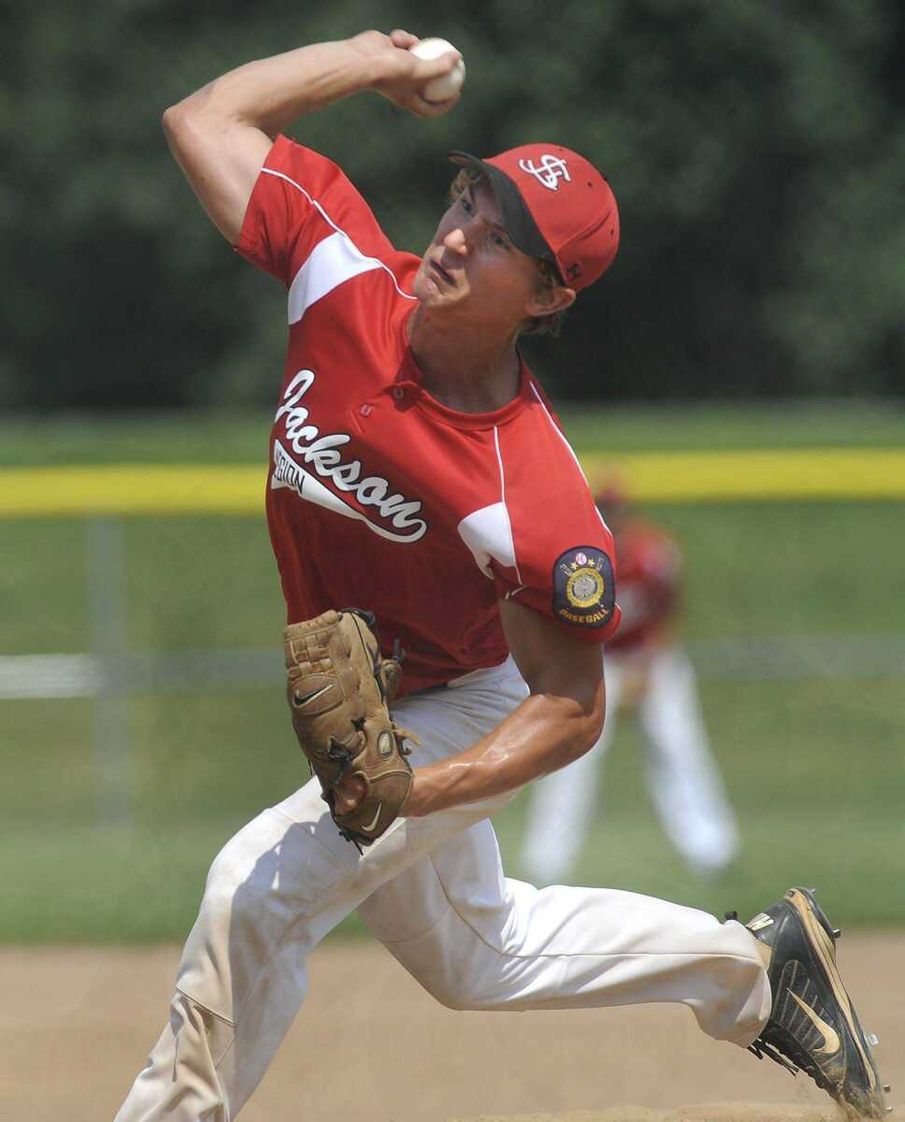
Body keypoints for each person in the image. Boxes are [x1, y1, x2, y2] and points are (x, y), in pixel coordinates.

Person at [114, 29, 887, 1121]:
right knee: (482, 957)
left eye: (504, 236)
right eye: (473, 198)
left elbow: (571, 709)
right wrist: (370, 61)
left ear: (546, 298)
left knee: (254, 891)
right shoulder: (337, 263)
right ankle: (755, 970)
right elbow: (201, 118)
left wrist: (411, 792)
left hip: (453, 703)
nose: (462, 232)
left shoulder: (531, 493)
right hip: (377, 702)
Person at [520, 484, 739, 883]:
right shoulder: (572, 558)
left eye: (615, 510)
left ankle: (711, 850)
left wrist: (649, 664)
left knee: (677, 746)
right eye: (602, 510)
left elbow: (670, 609)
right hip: (594, 661)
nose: (610, 517)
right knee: (569, 756)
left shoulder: (653, 554)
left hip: (651, 660)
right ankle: (546, 862)